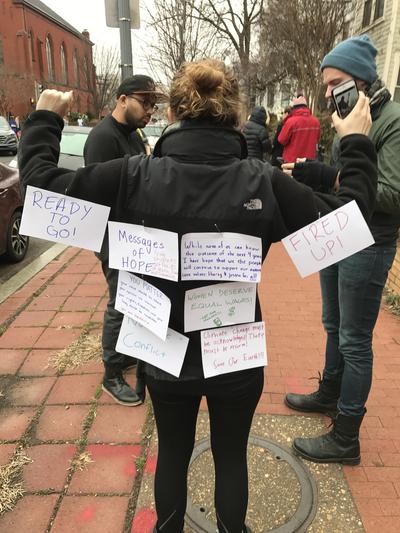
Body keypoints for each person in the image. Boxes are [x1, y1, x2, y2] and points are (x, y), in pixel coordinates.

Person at [18, 59, 376, 533]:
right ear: (232, 115)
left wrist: (45, 117)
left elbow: (40, 187)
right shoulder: (262, 183)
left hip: (164, 350)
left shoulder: (130, 176)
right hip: (235, 353)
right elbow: (352, 221)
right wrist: (355, 141)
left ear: (178, 112)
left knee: (172, 450)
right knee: (231, 455)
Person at [284, 35, 400, 465]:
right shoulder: (349, 114)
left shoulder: (391, 121)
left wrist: (329, 178)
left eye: (337, 83)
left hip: (370, 243)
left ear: (364, 82)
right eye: (326, 85)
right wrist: (319, 173)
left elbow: (390, 193)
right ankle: (329, 393)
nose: (330, 94)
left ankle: (346, 435)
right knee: (333, 324)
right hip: (339, 232)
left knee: (354, 339)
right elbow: (350, 176)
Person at [84, 74, 162, 406]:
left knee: (133, 297)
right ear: (122, 99)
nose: (150, 111)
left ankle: (123, 352)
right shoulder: (103, 138)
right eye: (145, 103)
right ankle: (111, 373)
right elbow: (100, 193)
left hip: (133, 234)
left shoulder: (133, 135)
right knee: (120, 301)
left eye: (153, 106)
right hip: (114, 235)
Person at [277, 95, 320, 162]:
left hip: (292, 162)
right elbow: (317, 140)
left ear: (294, 108)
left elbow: (281, 140)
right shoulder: (316, 122)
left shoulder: (291, 121)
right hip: (309, 163)